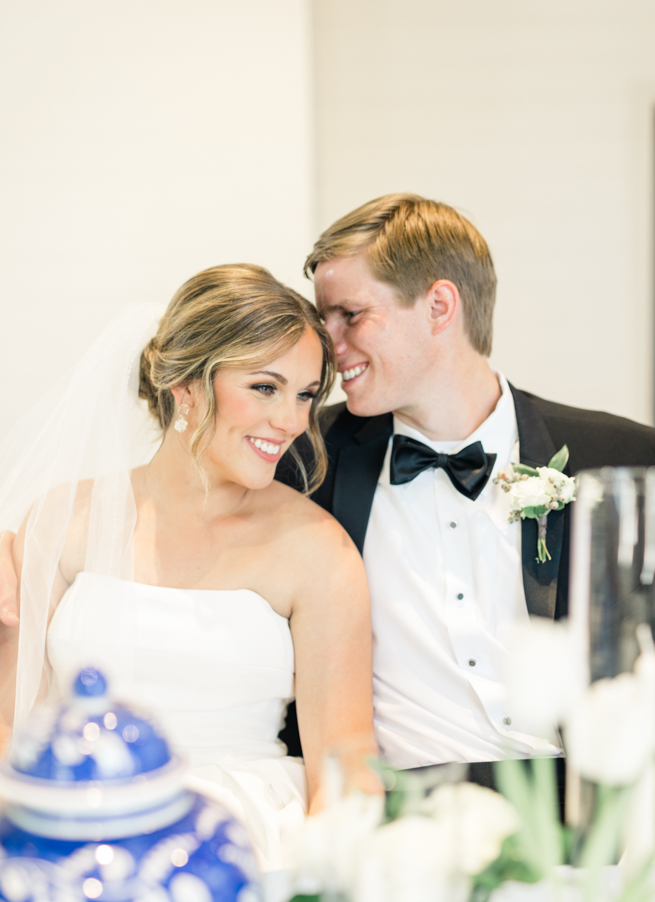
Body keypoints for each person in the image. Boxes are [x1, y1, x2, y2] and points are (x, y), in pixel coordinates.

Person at [0, 263, 375, 870]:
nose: (293, 422)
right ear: (186, 387)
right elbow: (6, 726)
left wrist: (326, 882)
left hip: (247, 842)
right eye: (265, 388)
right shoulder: (64, 521)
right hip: (79, 828)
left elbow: (346, 759)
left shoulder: (319, 550)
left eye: (305, 395)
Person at [276, 193, 655, 783]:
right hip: (400, 819)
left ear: (439, 305)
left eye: (349, 315)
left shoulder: (625, 459)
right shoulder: (302, 459)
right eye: (324, 318)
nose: (328, 343)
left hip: (590, 816)